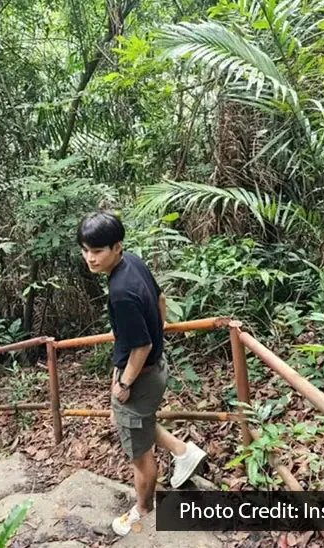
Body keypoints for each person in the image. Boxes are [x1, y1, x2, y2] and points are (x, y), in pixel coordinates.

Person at [76, 210, 207, 537]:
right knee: (135, 423)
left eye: (97, 251)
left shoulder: (121, 292)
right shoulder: (132, 262)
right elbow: (161, 300)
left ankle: (143, 509)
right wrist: (157, 331)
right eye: (85, 250)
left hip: (141, 374)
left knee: (139, 453)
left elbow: (141, 347)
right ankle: (183, 451)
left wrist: (123, 382)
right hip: (152, 369)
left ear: (116, 247)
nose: (90, 258)